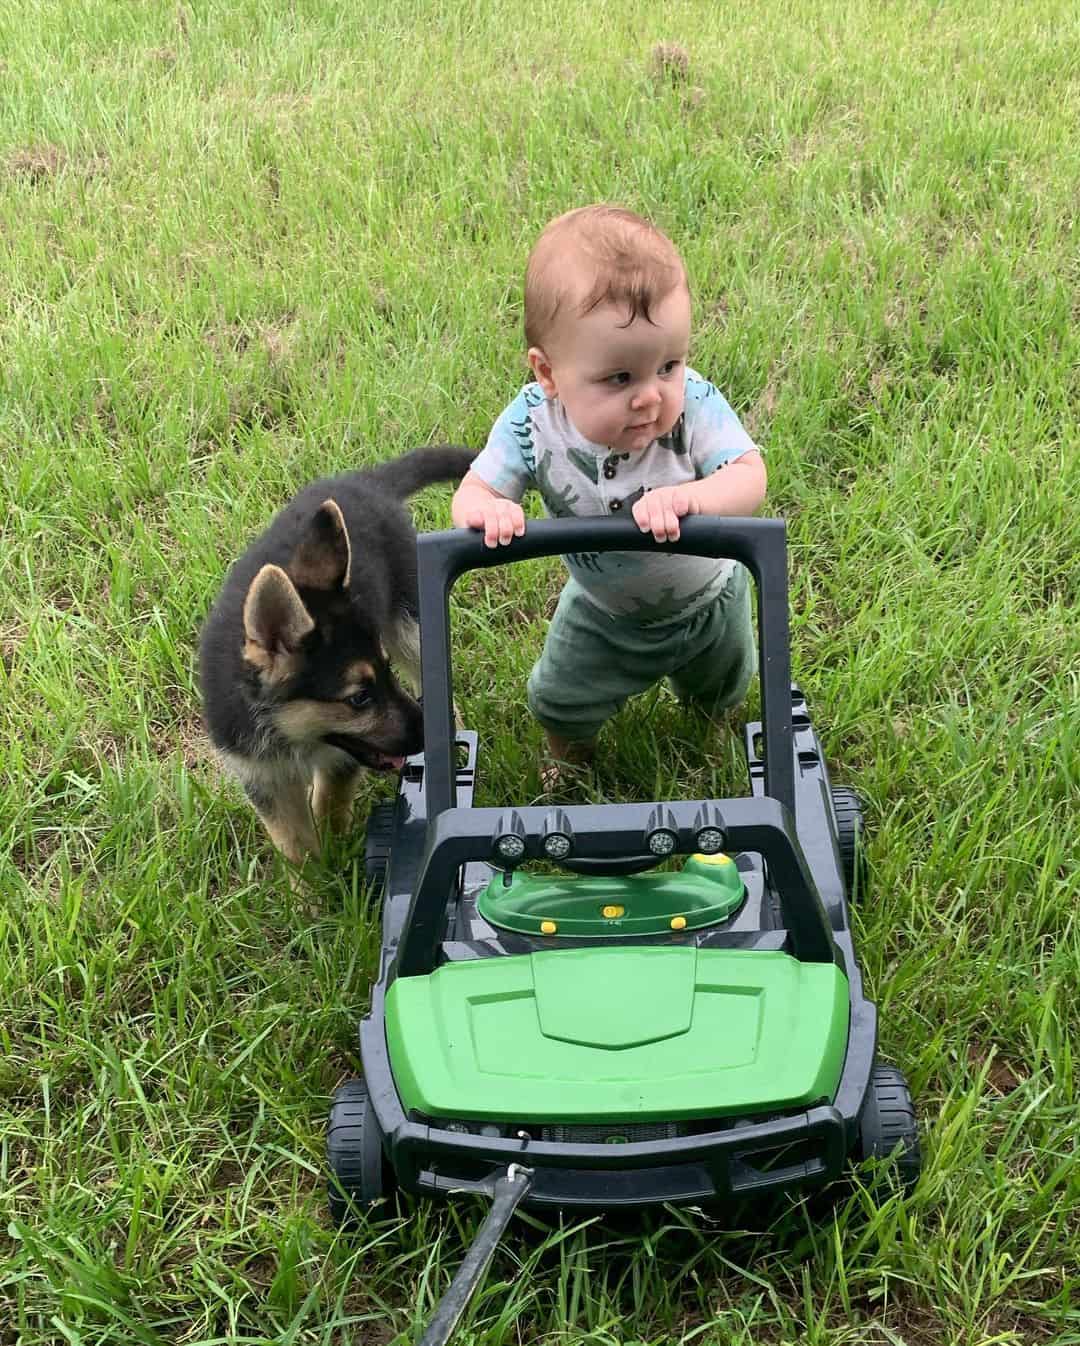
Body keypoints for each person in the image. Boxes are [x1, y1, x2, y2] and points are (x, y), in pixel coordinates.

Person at [451, 204, 767, 783]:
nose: (650, 396)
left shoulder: (692, 403)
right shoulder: (531, 424)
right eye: (620, 378)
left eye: (668, 364)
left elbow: (749, 475)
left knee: (721, 693)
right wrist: (488, 508)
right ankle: (569, 765)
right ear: (548, 373)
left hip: (710, 597)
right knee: (559, 697)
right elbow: (475, 489)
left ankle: (715, 742)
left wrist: (697, 499)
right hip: (605, 612)